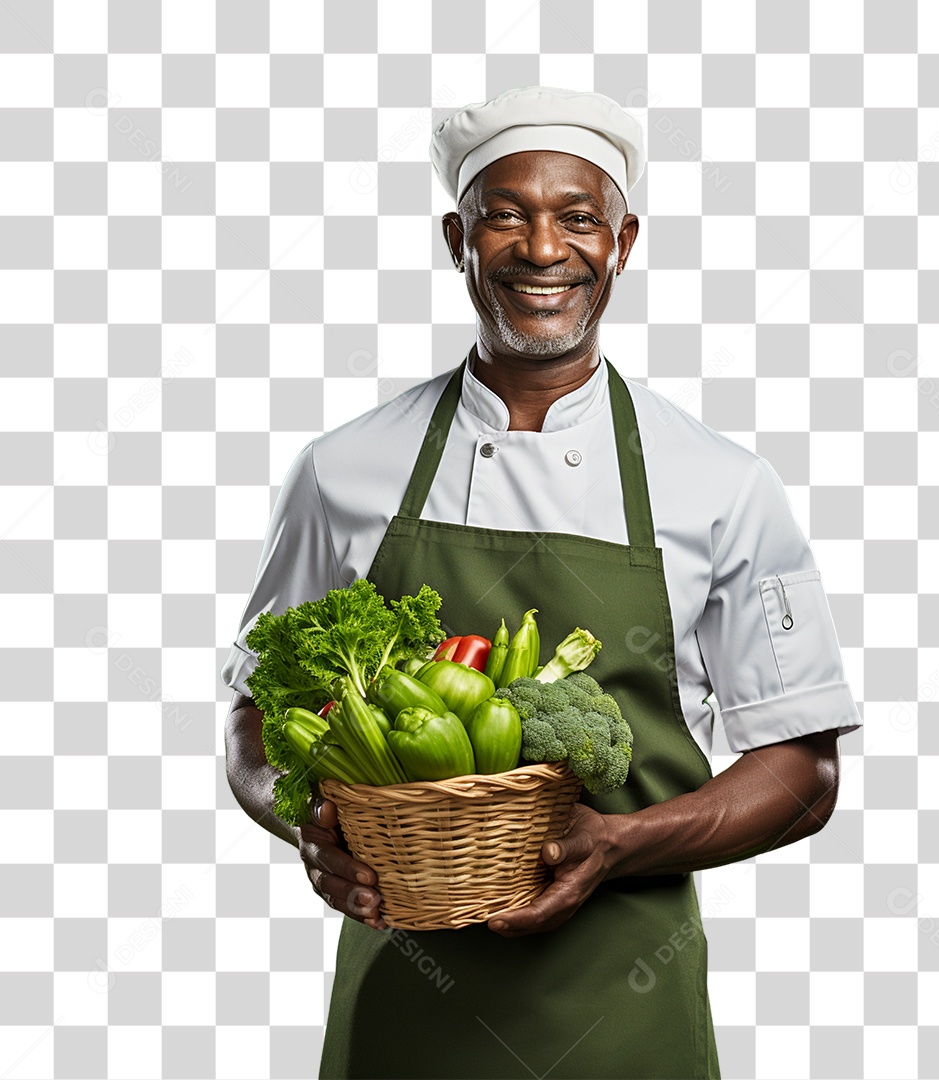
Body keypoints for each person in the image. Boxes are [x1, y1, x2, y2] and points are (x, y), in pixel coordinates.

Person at [221, 85, 863, 1080]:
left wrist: (620, 844)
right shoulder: (342, 471)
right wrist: (305, 815)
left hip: (627, 1018)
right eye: (505, 215)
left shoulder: (721, 486)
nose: (542, 249)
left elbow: (802, 771)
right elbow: (256, 719)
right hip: (403, 1014)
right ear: (457, 238)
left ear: (623, 240)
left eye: (578, 218)